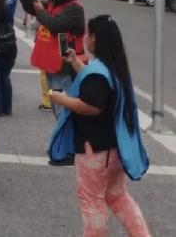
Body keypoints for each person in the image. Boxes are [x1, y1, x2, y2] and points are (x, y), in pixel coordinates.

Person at [48, 15, 151, 236]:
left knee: (91, 201)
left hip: (93, 149)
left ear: (94, 38)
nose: (85, 38)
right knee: (117, 196)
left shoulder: (98, 73)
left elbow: (91, 105)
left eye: (88, 33)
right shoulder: (114, 68)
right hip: (114, 147)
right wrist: (76, 63)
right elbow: (98, 88)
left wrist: (60, 99)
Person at [21, 0, 85, 118]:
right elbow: (31, 6)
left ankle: (68, 138)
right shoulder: (54, 3)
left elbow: (56, 25)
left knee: (65, 111)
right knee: (58, 109)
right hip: (52, 65)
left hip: (64, 68)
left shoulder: (74, 9)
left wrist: (41, 12)